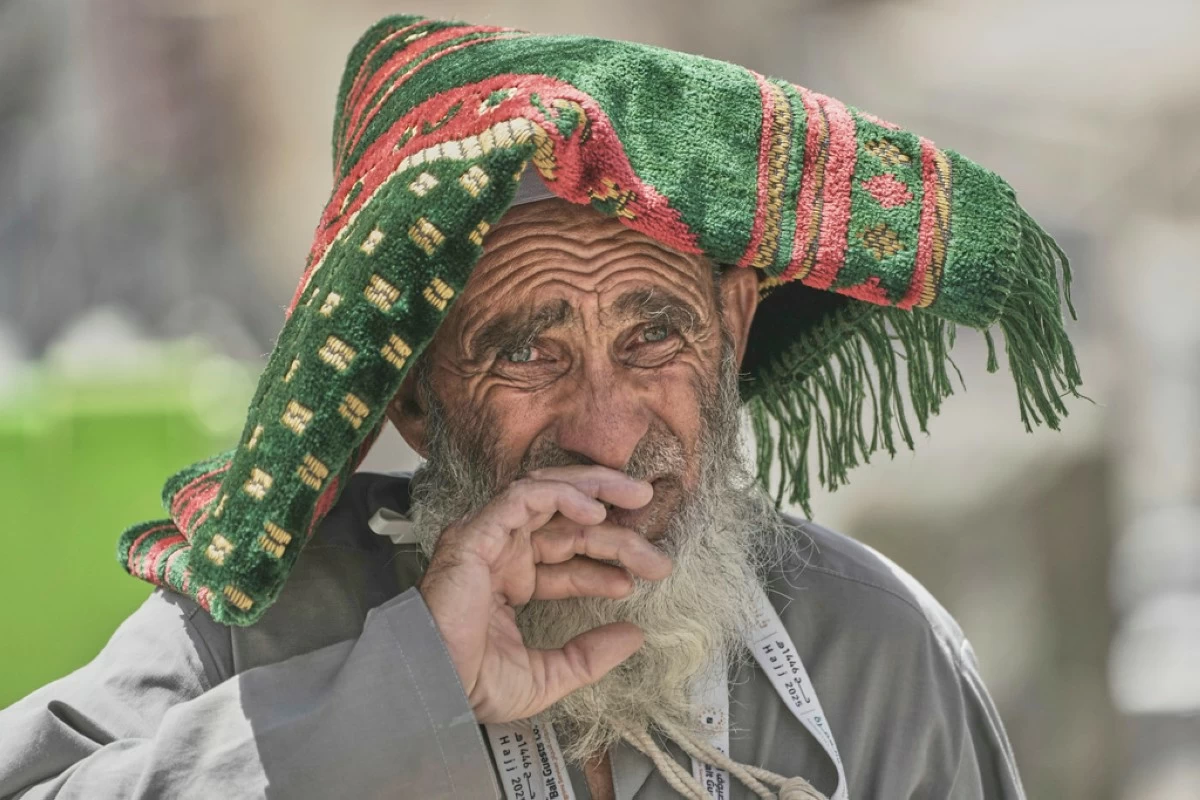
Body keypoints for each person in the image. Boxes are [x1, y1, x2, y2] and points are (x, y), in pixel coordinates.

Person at [0, 14, 1083, 799]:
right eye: (528, 350)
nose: (609, 435)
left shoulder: (879, 658)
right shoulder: (256, 636)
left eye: (655, 333)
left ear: (734, 331)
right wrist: (400, 691)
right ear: (419, 399)